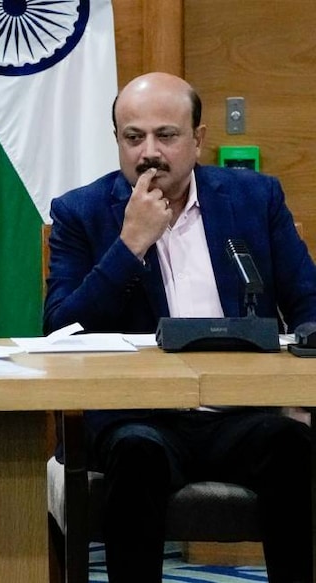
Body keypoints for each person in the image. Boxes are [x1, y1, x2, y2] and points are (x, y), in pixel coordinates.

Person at [45, 71, 316, 582]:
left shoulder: (256, 198)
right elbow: (60, 330)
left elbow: (309, 301)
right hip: (138, 417)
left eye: (166, 136)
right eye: (133, 137)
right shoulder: (81, 213)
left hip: (241, 412)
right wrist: (130, 246)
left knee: (292, 447)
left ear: (198, 139)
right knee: (137, 453)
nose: (149, 152)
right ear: (118, 142)